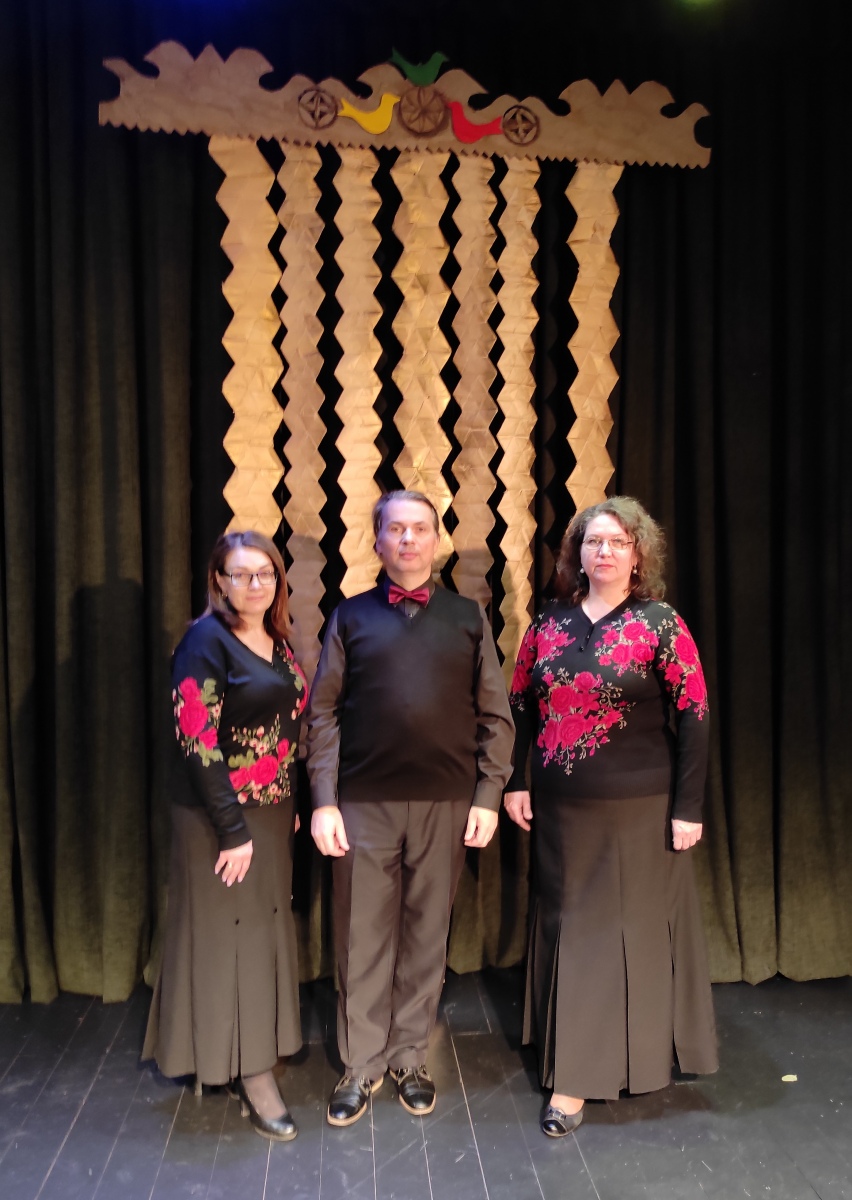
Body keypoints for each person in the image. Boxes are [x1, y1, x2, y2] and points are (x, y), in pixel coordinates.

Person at [505, 496, 717, 1137]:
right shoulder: (548, 624)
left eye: (618, 542)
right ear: (578, 553)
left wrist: (687, 808)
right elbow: (520, 707)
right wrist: (516, 782)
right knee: (573, 931)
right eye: (593, 541)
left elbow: (695, 716)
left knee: (624, 933)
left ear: (638, 554)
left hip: (639, 810)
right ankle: (573, 1062)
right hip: (561, 812)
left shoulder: (661, 624)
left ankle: (590, 1077)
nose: (604, 552)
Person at [306, 489, 514, 1126]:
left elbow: (496, 716)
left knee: (426, 936)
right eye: (395, 529)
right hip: (363, 804)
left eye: (419, 528)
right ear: (377, 541)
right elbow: (322, 713)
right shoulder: (350, 616)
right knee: (362, 936)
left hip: (446, 804)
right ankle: (361, 1063)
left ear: (437, 539)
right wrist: (324, 801)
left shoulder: (468, 617)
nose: (407, 539)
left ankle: (409, 1056)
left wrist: (488, 795)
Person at [143, 531, 308, 1141]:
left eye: (265, 573)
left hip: (271, 811)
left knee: (260, 933)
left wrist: (288, 801)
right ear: (219, 581)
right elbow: (197, 742)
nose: (255, 584)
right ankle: (246, 1071)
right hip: (219, 820)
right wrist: (233, 831)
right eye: (241, 574)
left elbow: (284, 727)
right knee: (224, 937)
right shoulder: (204, 641)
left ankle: (250, 1049)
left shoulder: (277, 638)